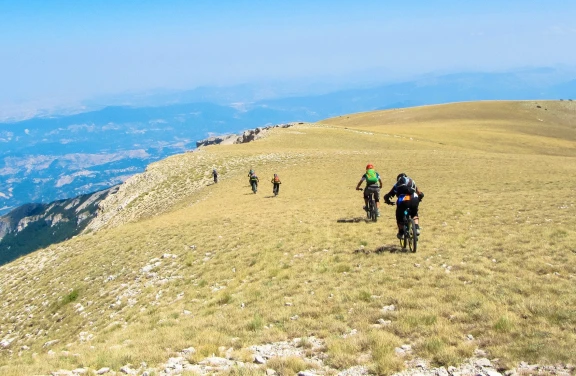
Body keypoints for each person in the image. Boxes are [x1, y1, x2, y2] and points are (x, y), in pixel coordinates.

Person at [383, 173, 424, 239]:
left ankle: (401, 232)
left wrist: (387, 200)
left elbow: (389, 194)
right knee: (414, 214)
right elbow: (420, 194)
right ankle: (416, 228)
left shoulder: (397, 184)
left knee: (399, 216)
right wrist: (419, 198)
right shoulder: (412, 181)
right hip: (414, 199)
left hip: (403, 200)